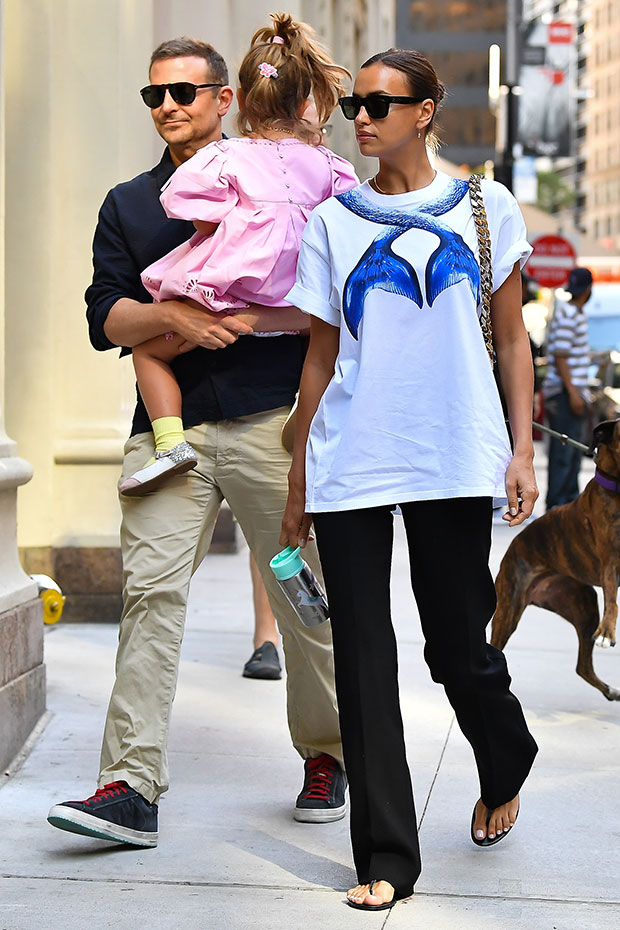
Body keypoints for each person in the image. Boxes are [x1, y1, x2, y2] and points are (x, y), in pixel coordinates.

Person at [47, 28, 354, 849]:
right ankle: (131, 786)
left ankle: (327, 752)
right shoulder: (132, 204)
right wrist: (175, 315)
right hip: (168, 434)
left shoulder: (286, 175)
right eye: (155, 95)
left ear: (226, 99)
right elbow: (104, 315)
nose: (168, 107)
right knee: (148, 598)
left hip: (272, 426)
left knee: (303, 596)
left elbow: (328, 294)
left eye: (184, 93)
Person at [280, 48, 539, 911]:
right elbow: (320, 357)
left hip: (451, 451)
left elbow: (511, 340)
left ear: (425, 111)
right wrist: (295, 483)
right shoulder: (333, 222)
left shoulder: (484, 204)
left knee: (456, 645)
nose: (362, 118)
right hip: (352, 456)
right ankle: (388, 854)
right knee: (361, 655)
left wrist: (523, 449)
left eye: (381, 105)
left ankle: (506, 754)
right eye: (354, 104)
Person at [118, 17, 356, 497]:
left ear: (238, 101)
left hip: (231, 293)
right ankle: (305, 411)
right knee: (324, 337)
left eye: (183, 92)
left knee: (149, 348)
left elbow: (197, 216)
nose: (167, 106)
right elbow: (344, 223)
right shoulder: (332, 165)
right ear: (307, 102)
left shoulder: (225, 160)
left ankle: (169, 443)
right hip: (295, 299)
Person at [543, 266, 593, 510]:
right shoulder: (570, 315)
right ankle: (559, 505)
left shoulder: (572, 314)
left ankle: (568, 503)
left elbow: (568, 353)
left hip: (571, 391)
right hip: (566, 393)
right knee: (565, 452)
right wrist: (573, 393)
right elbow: (561, 357)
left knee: (571, 453)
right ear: (589, 289)